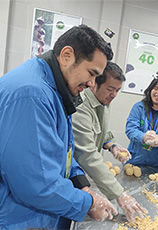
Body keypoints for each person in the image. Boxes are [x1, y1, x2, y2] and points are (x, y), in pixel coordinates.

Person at [0, 24, 118, 229]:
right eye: (91, 73)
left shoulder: (55, 89)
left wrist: (81, 183)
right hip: (18, 218)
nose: (91, 83)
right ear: (66, 56)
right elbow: (35, 185)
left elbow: (61, 150)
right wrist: (88, 203)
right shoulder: (32, 95)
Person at [72, 61, 147, 223]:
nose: (114, 95)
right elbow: (87, 154)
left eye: (117, 90)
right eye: (110, 89)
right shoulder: (82, 107)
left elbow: (101, 131)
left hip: (84, 173)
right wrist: (119, 194)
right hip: (73, 176)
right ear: (94, 84)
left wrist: (112, 145)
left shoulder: (102, 102)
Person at [125, 74, 158, 170]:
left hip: (157, 164)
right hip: (135, 159)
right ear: (150, 89)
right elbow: (130, 129)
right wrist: (143, 137)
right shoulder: (139, 107)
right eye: (156, 88)